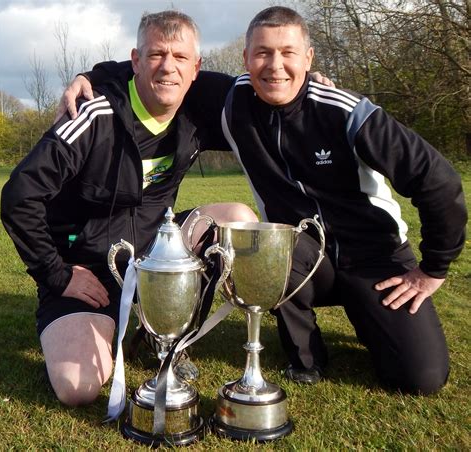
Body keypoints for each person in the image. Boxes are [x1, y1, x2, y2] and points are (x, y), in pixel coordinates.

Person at [61, 7, 467, 395]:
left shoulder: (345, 111)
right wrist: (91, 75)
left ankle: (370, 312)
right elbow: (162, 67)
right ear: (246, 58)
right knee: (266, 247)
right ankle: (304, 357)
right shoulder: (233, 100)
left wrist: (432, 269)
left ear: (308, 57)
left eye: (288, 53)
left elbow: (438, 181)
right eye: (263, 53)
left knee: (420, 377)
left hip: (376, 258)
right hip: (300, 256)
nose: (275, 66)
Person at [0, 11, 258, 407]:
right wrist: (59, 274)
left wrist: (312, 86)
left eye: (180, 57)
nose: (168, 67)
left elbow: (271, 91)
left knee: (238, 220)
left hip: (158, 253)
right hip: (89, 266)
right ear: (135, 60)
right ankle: (103, 319)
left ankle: (169, 333)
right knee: (77, 387)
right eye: (156, 55)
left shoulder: (200, 108)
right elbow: (19, 195)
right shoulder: (93, 113)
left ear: (196, 67)